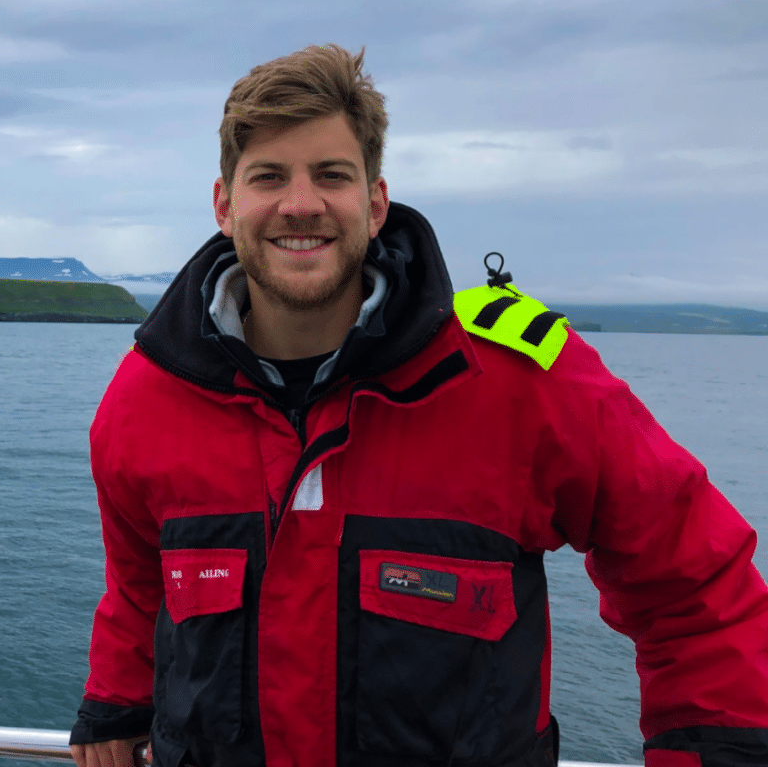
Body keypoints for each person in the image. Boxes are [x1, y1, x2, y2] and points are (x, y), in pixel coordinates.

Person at [70, 44, 768, 767]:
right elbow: (138, 585)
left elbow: (695, 581)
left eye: (332, 175)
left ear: (375, 203)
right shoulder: (145, 401)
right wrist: (116, 704)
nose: (300, 203)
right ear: (225, 205)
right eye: (268, 177)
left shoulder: (518, 382)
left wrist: (721, 750)